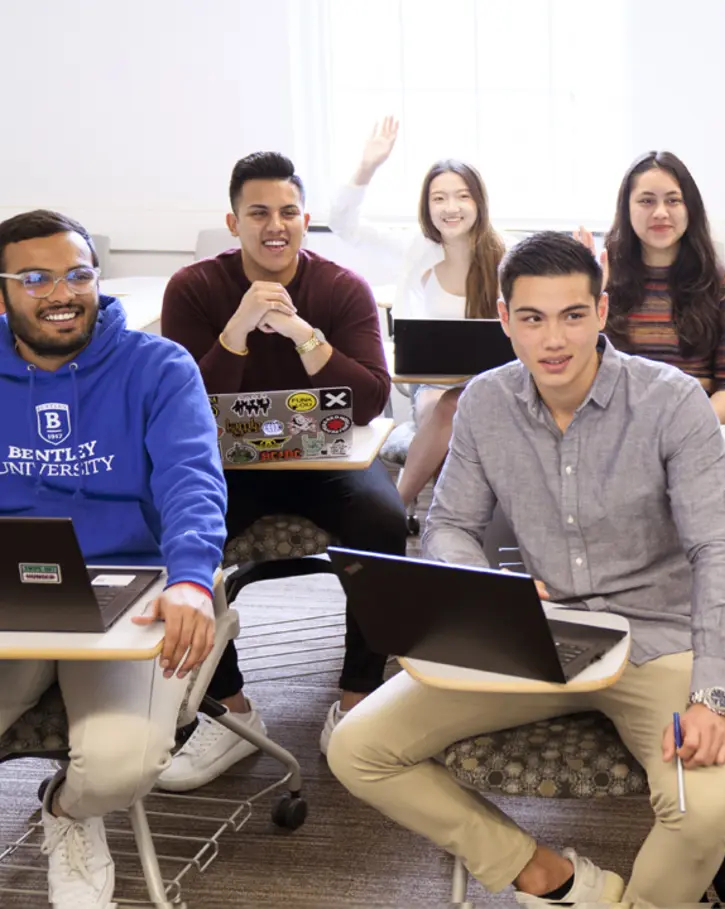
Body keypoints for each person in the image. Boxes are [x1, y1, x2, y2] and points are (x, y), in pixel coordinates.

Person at [326, 231, 725, 906]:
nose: (554, 339)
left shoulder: (670, 401)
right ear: (505, 319)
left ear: (601, 311)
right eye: (532, 317)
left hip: (657, 640)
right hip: (533, 634)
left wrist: (712, 696)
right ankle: (544, 874)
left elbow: (718, 549)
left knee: (703, 809)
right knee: (357, 748)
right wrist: (494, 589)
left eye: (573, 315)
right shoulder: (485, 402)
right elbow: (450, 526)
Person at [0, 210, 227, 908]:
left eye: (77, 274)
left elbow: (192, 480)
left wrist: (191, 580)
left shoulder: (158, 366)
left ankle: (68, 810)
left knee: (120, 765)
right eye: (34, 278)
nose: (60, 293)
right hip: (11, 585)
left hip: (133, 585)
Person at [159, 151, 407, 789]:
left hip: (325, 458)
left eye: (289, 212)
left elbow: (369, 401)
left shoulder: (341, 288)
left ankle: (357, 699)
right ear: (233, 222)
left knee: (385, 521)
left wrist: (302, 333)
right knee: (173, 531)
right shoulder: (194, 288)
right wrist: (239, 329)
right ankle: (230, 712)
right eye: (259, 213)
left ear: (305, 219)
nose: (276, 226)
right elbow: (184, 406)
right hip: (230, 464)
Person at [331, 116, 509, 518]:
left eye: (462, 196)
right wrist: (367, 167)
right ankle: (446, 527)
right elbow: (343, 224)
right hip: (432, 383)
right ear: (427, 207)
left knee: (452, 411)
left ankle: (397, 515)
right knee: (440, 410)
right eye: (438, 198)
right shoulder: (416, 248)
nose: (450, 208)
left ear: (479, 202)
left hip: (494, 384)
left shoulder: (507, 256)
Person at [575, 150, 725, 425]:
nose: (660, 213)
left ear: (689, 208)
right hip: (612, 428)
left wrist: (683, 433)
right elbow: (578, 369)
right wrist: (585, 295)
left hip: (692, 428)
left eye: (673, 200)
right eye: (646, 201)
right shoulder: (604, 280)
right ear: (627, 209)